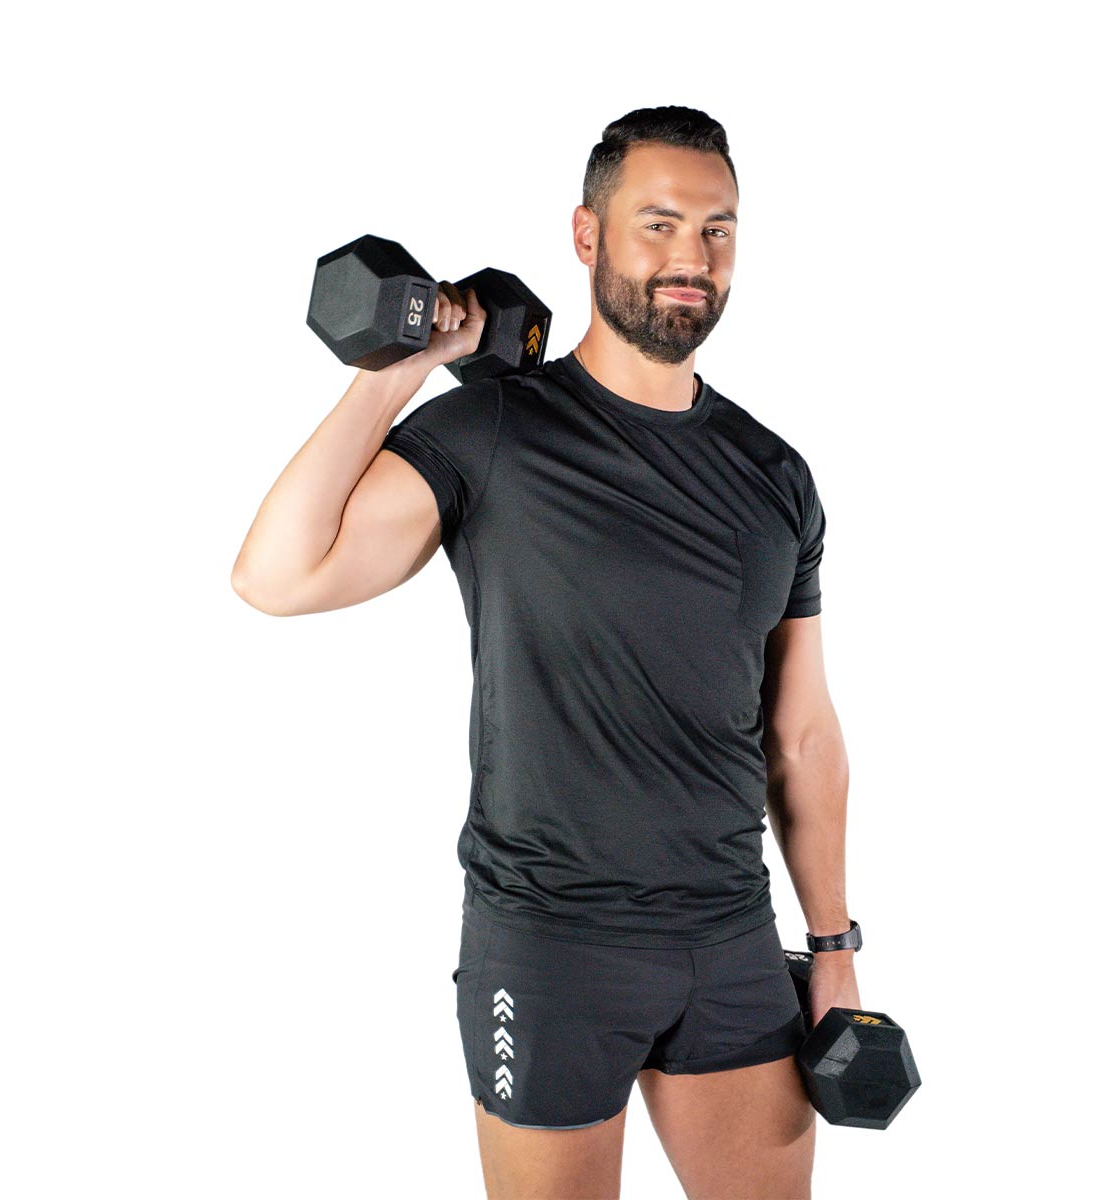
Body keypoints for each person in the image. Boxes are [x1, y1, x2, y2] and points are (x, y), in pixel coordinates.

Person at [232, 105, 859, 1199]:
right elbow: (276, 576)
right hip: (548, 944)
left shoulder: (774, 475)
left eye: (716, 230)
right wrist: (403, 366)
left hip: (728, 938)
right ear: (585, 236)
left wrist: (834, 945)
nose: (688, 258)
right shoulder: (492, 433)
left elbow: (800, 735)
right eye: (656, 224)